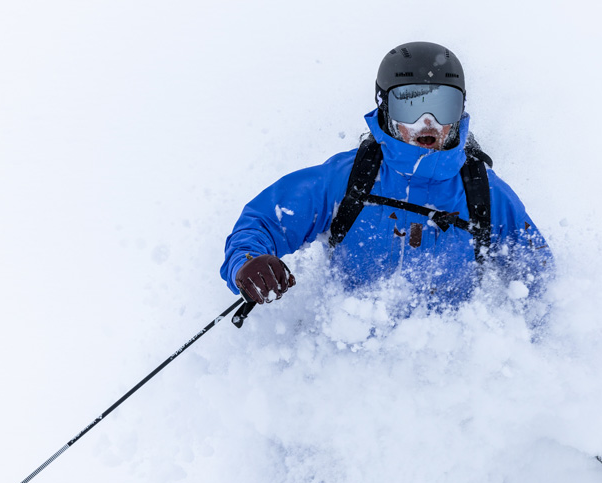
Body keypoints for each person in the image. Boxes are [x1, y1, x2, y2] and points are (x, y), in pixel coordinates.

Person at [221, 41, 552, 314]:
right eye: (411, 104)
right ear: (386, 108)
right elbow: (261, 223)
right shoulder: (348, 180)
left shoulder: (485, 194)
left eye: (443, 104)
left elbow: (542, 284)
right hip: (351, 368)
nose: (429, 123)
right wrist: (249, 264)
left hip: (448, 378)